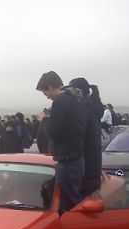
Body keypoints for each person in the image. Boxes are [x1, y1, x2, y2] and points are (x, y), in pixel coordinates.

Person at [36, 70, 85, 214]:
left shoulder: (60, 101)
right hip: (77, 155)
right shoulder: (76, 97)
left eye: (46, 93)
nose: (47, 97)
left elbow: (54, 133)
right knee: (76, 198)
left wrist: (44, 120)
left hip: (67, 158)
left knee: (68, 204)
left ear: (51, 87)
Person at [69, 77, 104, 195]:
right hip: (92, 168)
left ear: (78, 91)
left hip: (84, 169)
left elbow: (76, 136)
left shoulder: (83, 109)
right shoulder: (92, 108)